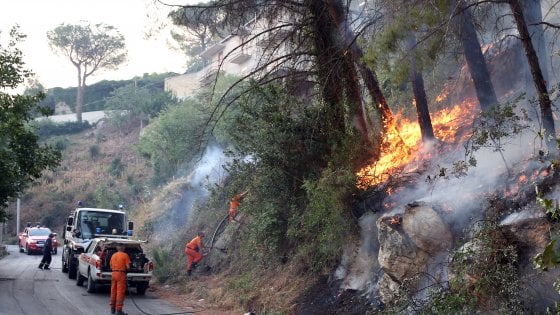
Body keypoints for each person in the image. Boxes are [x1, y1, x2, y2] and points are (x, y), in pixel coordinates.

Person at [109, 244, 131, 315]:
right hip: (121, 274)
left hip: (113, 274)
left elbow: (111, 265)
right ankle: (118, 310)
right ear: (123, 248)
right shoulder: (125, 255)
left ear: (117, 248)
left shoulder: (113, 255)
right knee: (120, 292)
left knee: (113, 291)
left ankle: (112, 309)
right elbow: (128, 267)